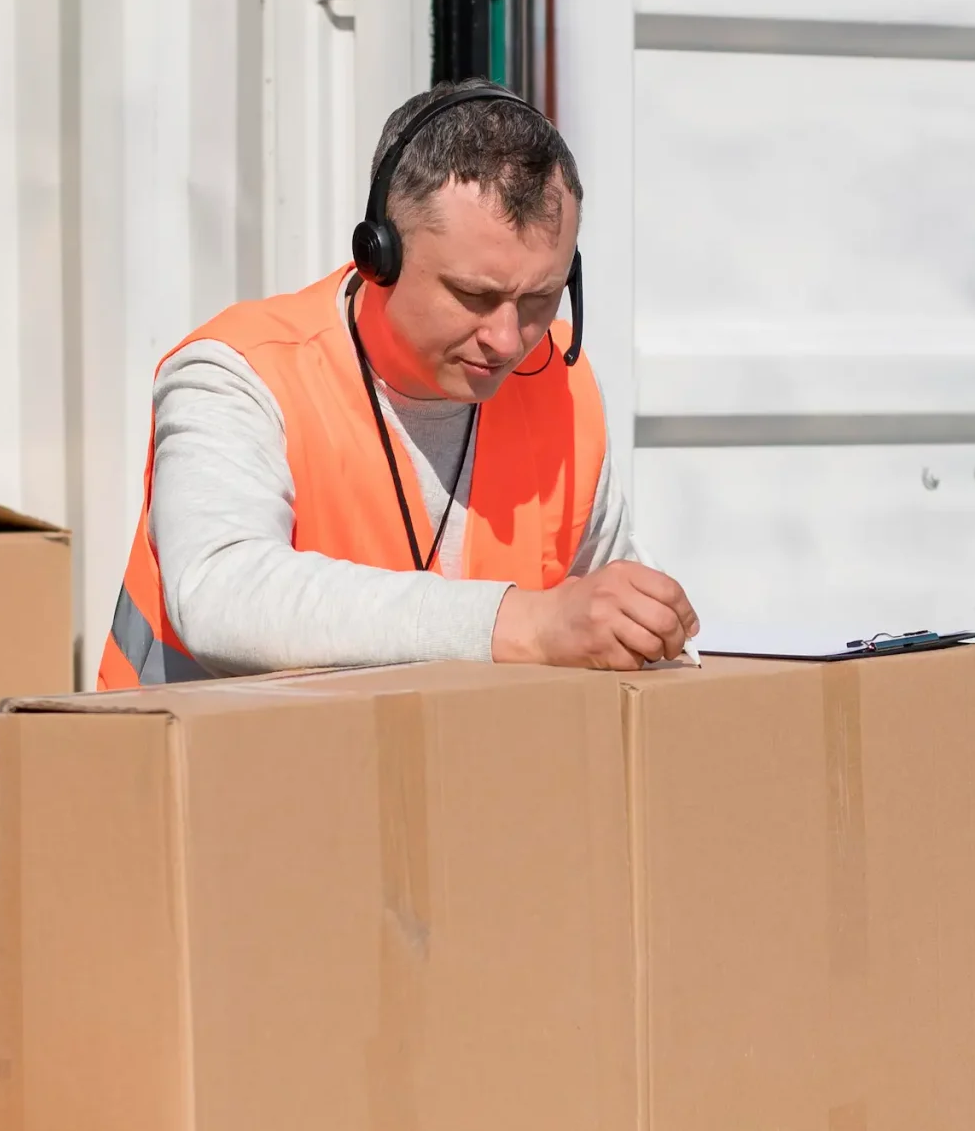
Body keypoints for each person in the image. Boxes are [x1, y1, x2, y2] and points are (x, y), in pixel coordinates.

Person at [98, 81, 698, 687]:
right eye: (474, 295)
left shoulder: (561, 384)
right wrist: (521, 624)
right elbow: (220, 596)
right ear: (376, 256)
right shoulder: (235, 374)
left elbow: (604, 611)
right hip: (197, 772)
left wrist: (641, 622)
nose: (508, 339)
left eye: (539, 298)